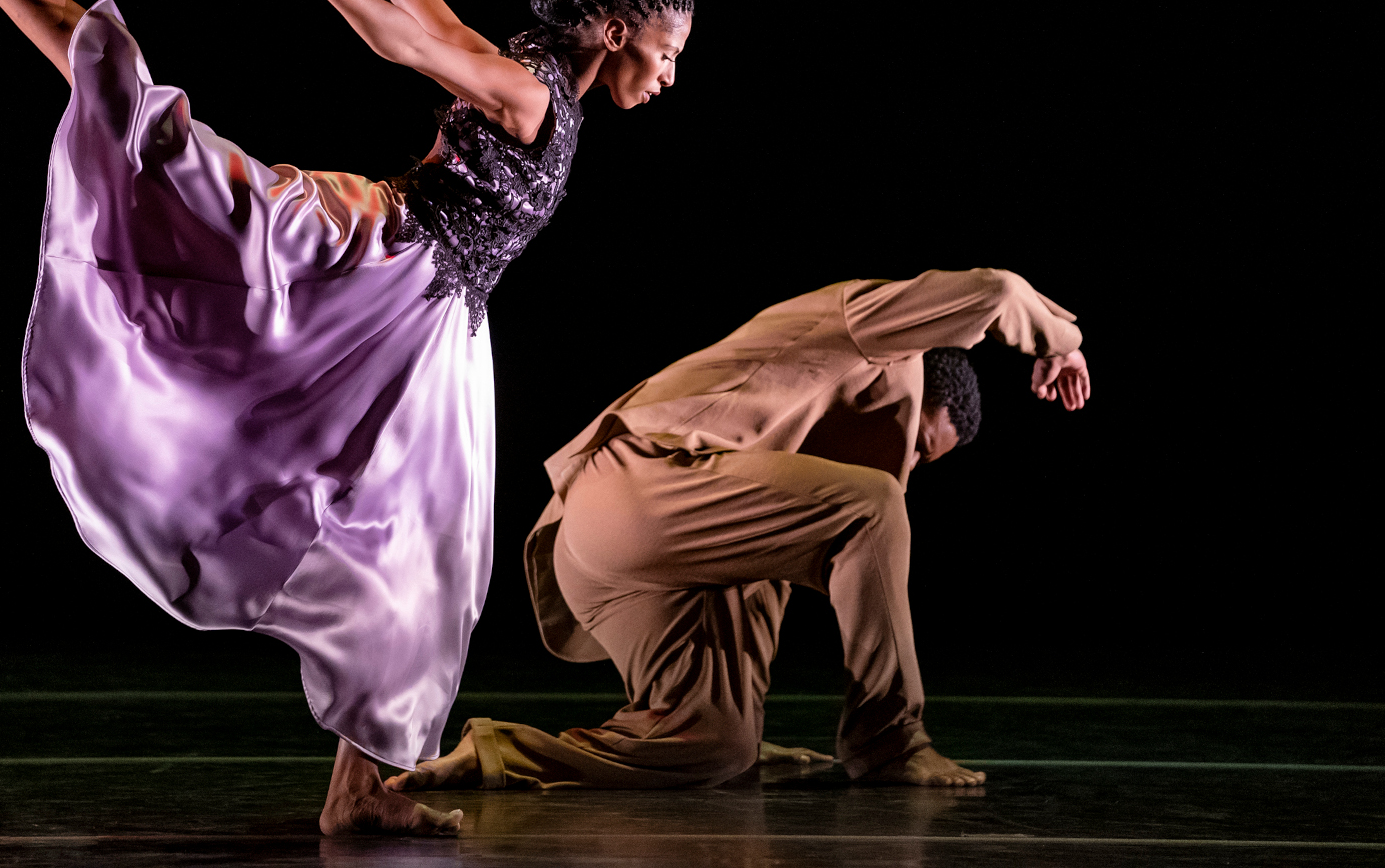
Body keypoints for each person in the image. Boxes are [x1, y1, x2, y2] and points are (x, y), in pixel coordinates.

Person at [0, 0, 693, 836]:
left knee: (434, 563)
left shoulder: (533, 80)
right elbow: (403, 35)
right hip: (364, 254)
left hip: (434, 331)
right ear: (615, 32)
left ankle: (363, 786)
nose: (670, 73)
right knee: (145, 124)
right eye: (668, 51)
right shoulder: (527, 95)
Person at [387, 268, 1089, 794]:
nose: (908, 462)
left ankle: (496, 755)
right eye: (916, 443)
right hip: (639, 484)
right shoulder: (875, 330)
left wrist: (746, 723)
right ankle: (891, 742)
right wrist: (1062, 341)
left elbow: (763, 592)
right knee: (874, 506)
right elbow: (995, 291)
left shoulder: (775, 484)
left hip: (617, 553)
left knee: (715, 747)